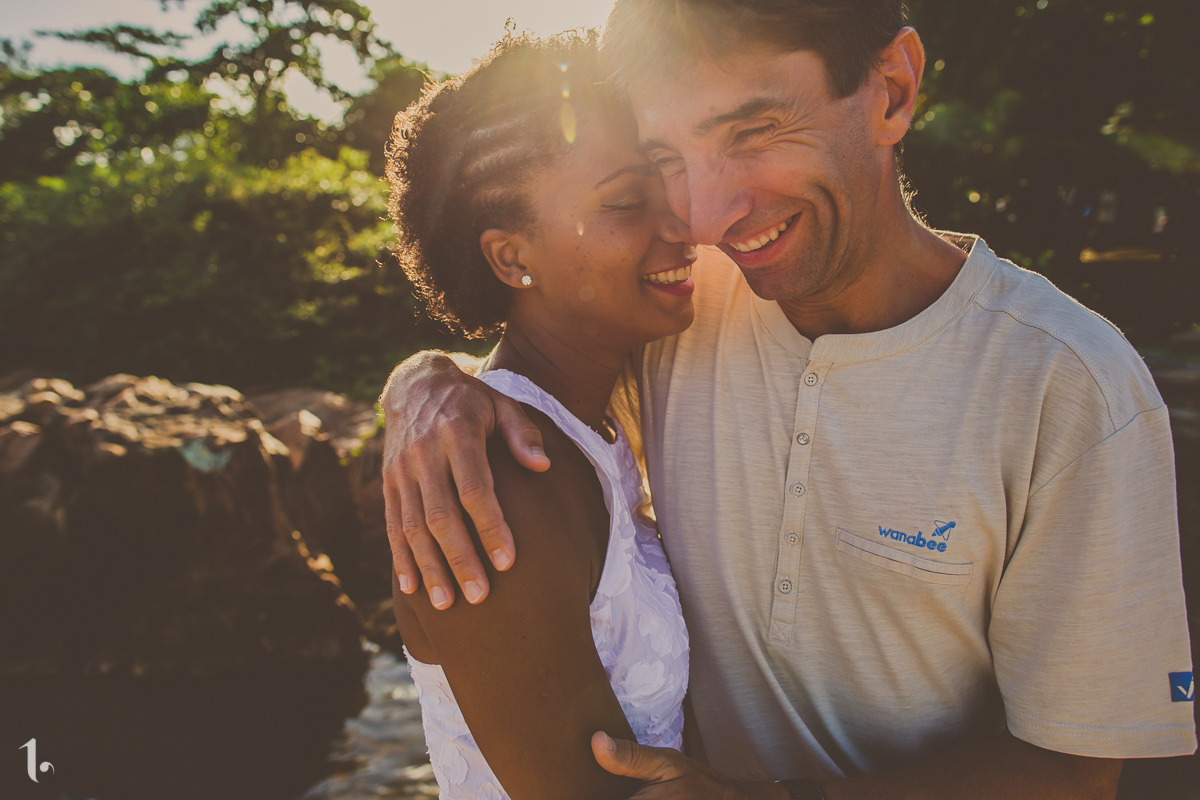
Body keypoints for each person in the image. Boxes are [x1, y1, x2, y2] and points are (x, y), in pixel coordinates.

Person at [382, 2, 1197, 798]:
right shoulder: (686, 309)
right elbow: (548, 335)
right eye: (666, 157)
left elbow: (1077, 771)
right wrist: (425, 384)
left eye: (751, 132)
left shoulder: (1072, 388)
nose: (704, 213)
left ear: (891, 90)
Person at [383, 30, 696, 800]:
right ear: (512, 257)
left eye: (667, 179)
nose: (681, 222)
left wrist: (422, 376)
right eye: (626, 202)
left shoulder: (604, 412)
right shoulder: (495, 484)